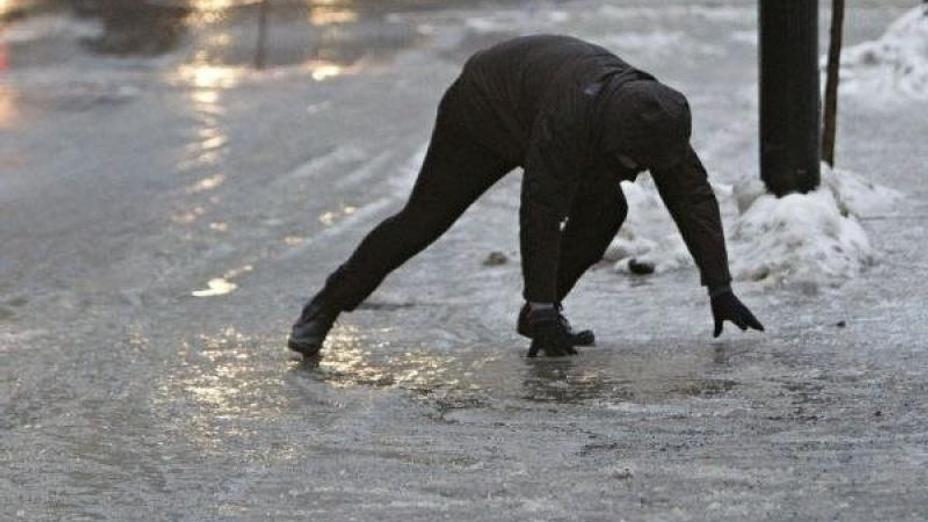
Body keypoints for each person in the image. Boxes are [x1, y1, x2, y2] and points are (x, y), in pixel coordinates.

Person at [288, 34, 764, 359]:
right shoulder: (571, 123)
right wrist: (540, 306)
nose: (640, 175)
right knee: (424, 220)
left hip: (541, 96)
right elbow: (541, 211)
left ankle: (541, 309)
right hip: (483, 109)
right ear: (609, 141)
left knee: (607, 209)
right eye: (631, 165)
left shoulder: (657, 117)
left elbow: (693, 197)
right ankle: (326, 305)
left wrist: (719, 286)